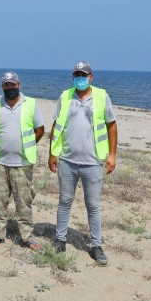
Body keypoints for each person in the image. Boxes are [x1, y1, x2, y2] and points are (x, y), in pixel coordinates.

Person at [48, 61, 118, 266]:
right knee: (64, 202)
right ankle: (60, 240)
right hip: (68, 160)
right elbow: (56, 125)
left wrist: (112, 155)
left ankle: (96, 245)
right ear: (73, 77)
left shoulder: (101, 96)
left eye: (84, 74)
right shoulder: (65, 96)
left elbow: (112, 126)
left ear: (91, 77)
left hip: (93, 162)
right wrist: (52, 153)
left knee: (93, 205)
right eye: (77, 74)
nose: (80, 78)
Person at [0, 71, 45, 250]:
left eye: (13, 85)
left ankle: (27, 237)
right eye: (6, 85)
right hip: (1, 162)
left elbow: (40, 129)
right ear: (2, 86)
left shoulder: (31, 104)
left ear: (18, 85)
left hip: (23, 163)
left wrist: (27, 145)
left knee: (23, 201)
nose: (10, 88)